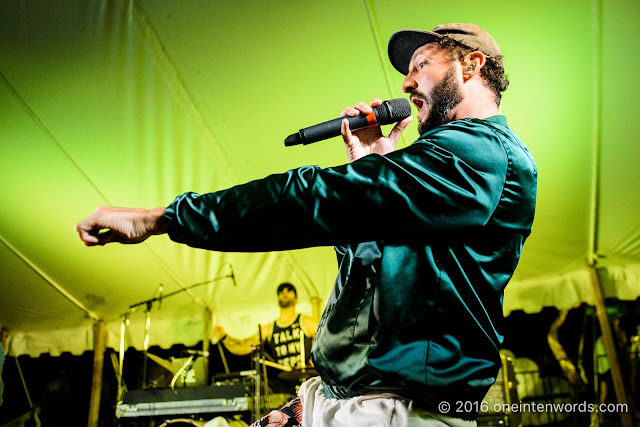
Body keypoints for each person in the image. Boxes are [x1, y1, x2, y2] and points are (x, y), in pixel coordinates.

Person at [75, 22, 537, 426]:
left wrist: (164, 218)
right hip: (348, 400)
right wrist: (372, 165)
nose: (406, 81)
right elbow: (376, 285)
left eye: (422, 64)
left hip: (398, 413)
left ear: (471, 64)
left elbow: (312, 197)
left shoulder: (486, 154)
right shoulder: (439, 166)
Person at [212, 283, 318, 394]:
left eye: (289, 291)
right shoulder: (269, 328)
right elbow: (244, 346)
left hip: (306, 380)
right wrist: (224, 337)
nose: (284, 293)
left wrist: (316, 361)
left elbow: (326, 343)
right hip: (282, 384)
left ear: (296, 300)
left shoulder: (306, 322)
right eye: (281, 291)